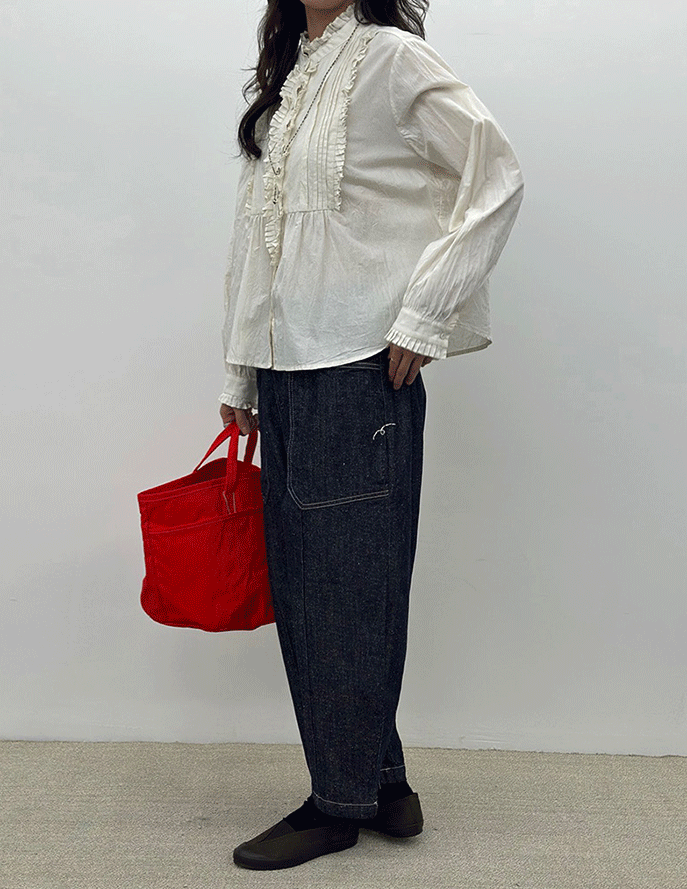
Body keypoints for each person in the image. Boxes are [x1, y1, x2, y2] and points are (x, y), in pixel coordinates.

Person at [218, 0, 524, 871]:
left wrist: (427, 313)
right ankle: (383, 785)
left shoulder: (389, 57)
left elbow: (496, 174)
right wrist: (241, 372)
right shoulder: (291, 78)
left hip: (355, 364)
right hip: (287, 366)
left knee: (344, 588)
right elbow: (255, 239)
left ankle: (336, 802)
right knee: (314, 586)